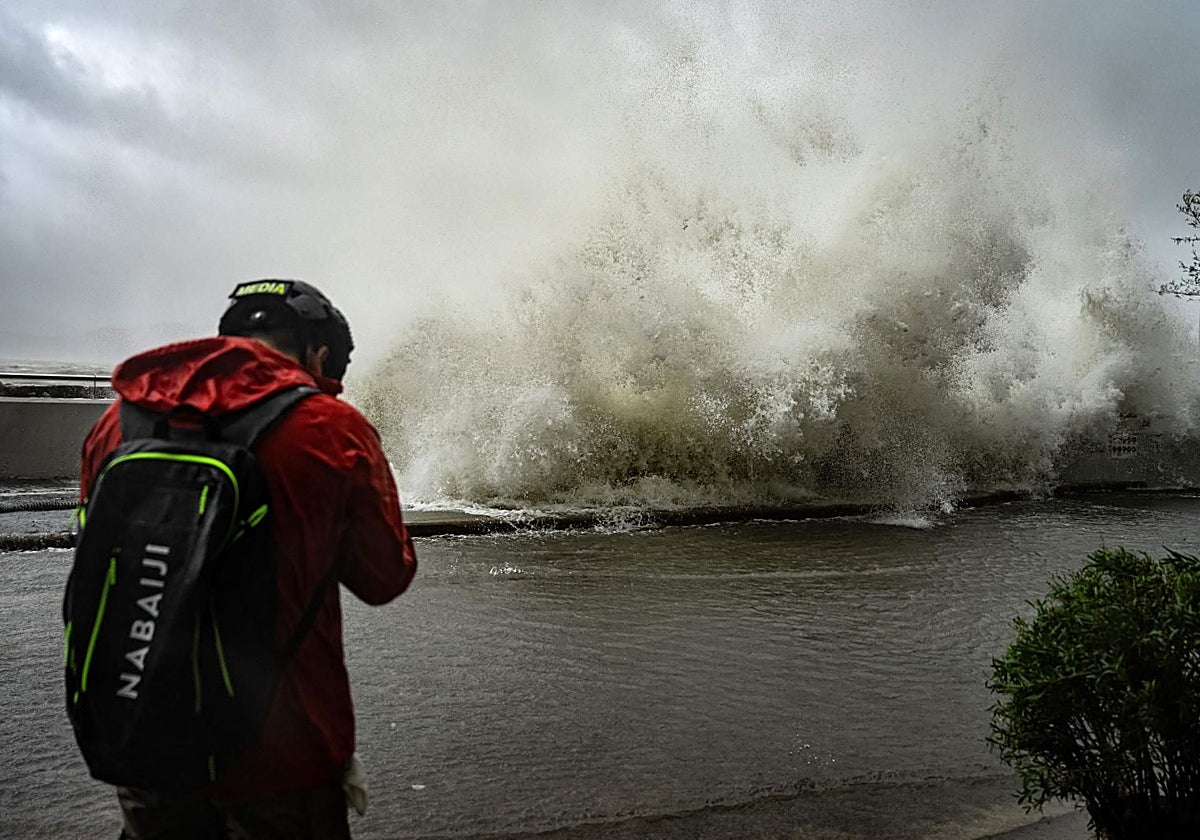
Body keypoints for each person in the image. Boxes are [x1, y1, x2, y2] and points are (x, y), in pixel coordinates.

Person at [78, 279, 417, 839]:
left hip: (143, 735)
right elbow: (385, 577)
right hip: (284, 752)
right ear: (318, 354)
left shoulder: (117, 423)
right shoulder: (330, 429)